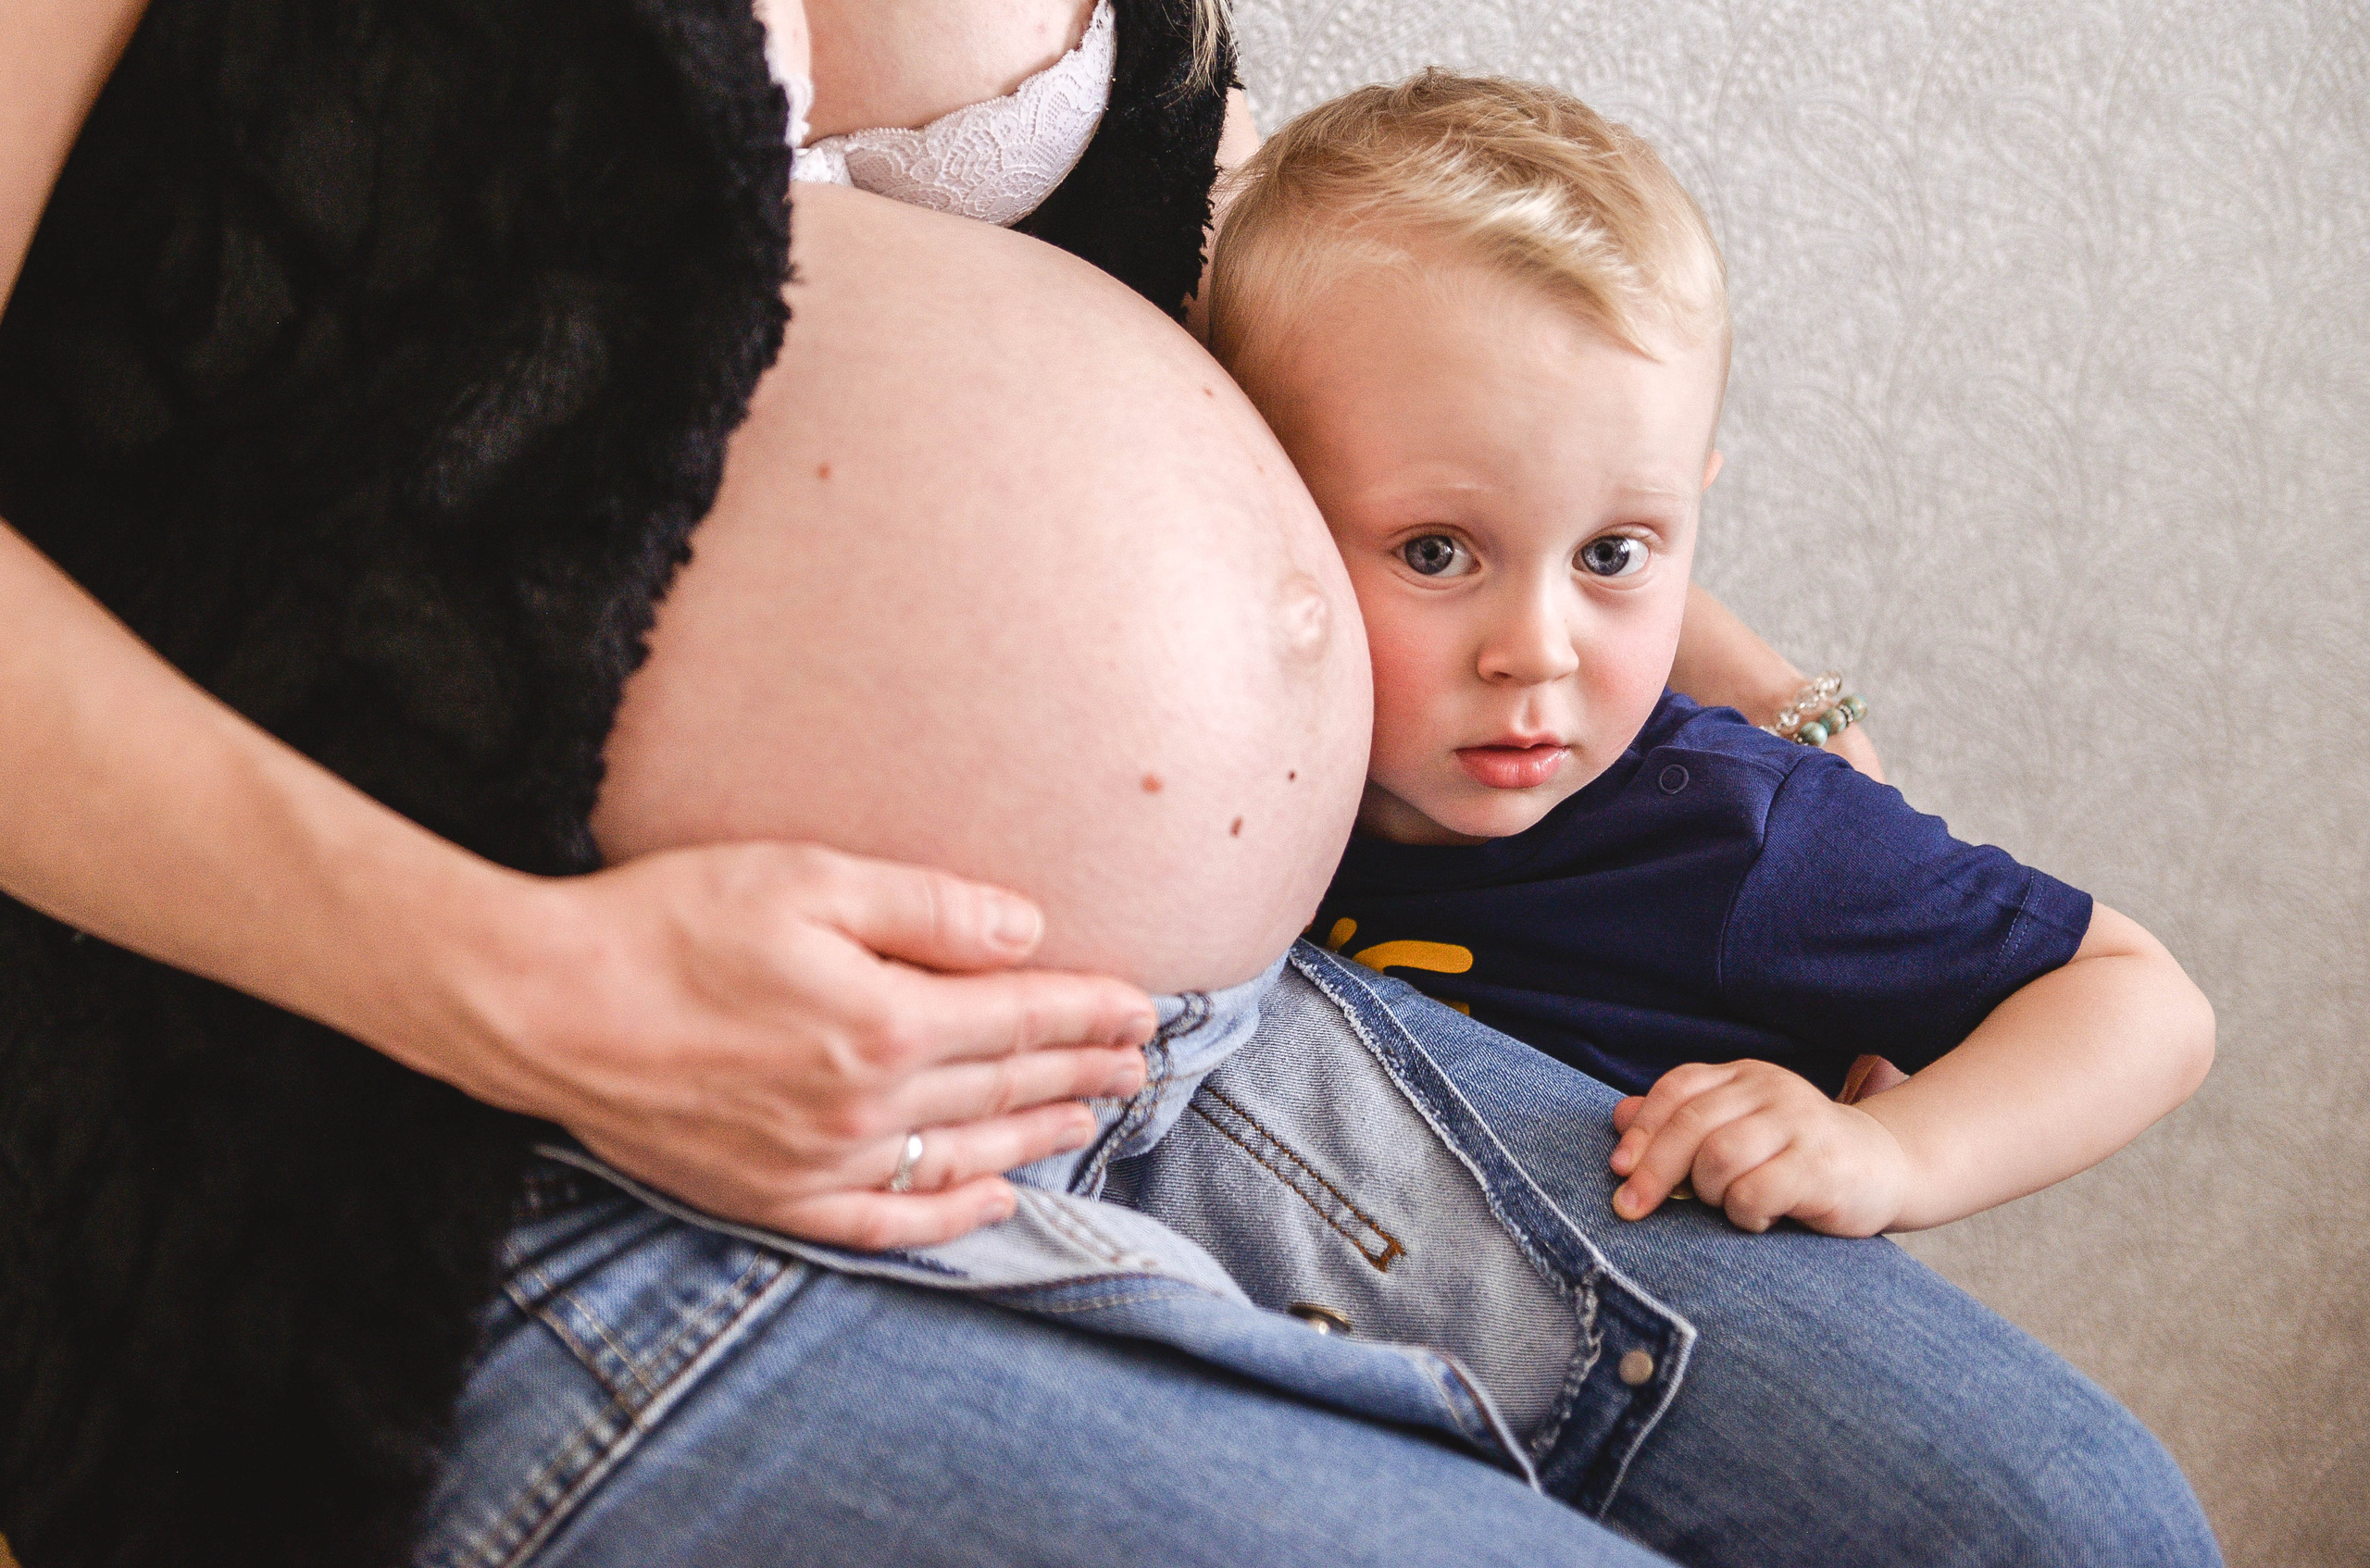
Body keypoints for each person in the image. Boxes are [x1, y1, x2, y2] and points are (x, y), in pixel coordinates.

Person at [0, 2, 2218, 1565]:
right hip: (460, 1124)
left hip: (1221, 1041)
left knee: (2070, 1527)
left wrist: (1756, 694)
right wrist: (522, 985)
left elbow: (1337, 314)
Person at [1209, 72, 2215, 1238]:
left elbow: (2144, 1002)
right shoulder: (1230, 766)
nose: (1535, 651)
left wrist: (1889, 1150)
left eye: (1613, 552)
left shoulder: (1743, 835)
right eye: (1436, 552)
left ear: (1694, 511)